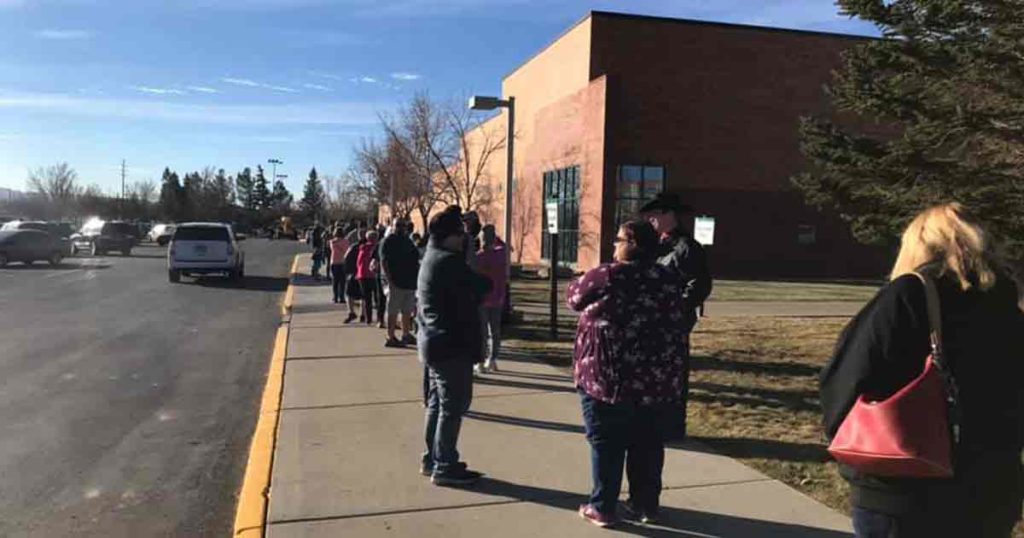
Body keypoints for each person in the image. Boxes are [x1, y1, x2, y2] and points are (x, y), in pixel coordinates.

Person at [820, 203, 1024, 538]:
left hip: (905, 488)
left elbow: (846, 378)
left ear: (918, 244)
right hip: (991, 486)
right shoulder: (1005, 303)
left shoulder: (909, 294)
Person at [568, 220, 690, 528]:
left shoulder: (607, 275)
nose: (614, 245)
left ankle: (603, 506)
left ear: (632, 243)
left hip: (606, 377)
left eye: (618, 239)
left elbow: (573, 298)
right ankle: (644, 504)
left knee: (606, 442)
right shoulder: (667, 278)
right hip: (654, 379)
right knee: (647, 443)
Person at [417, 205, 492, 487]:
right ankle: (445, 465)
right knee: (452, 406)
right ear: (449, 236)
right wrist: (470, 255)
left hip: (435, 343)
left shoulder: (431, 256)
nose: (464, 238)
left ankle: (433, 458)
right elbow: (483, 285)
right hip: (450, 345)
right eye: (460, 234)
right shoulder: (448, 261)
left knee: (437, 405)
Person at [640, 192, 712, 440]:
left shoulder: (686, 248)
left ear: (670, 215)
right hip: (652, 322)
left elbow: (699, 286)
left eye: (655, 214)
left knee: (673, 376)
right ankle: (654, 423)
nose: (650, 219)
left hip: (673, 323)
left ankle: (672, 428)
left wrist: (674, 309)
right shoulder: (655, 246)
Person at [380, 219, 420, 348]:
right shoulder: (388, 241)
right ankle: (390, 336)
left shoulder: (408, 241)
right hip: (395, 282)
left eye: (403, 225)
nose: (401, 228)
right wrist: (389, 280)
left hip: (410, 282)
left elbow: (415, 258)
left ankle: (406, 334)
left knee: (407, 311)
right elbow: (384, 262)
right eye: (398, 225)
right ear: (393, 226)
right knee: (393, 311)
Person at [475, 225, 508, 373]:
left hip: (482, 299)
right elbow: (504, 245)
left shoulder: (477, 258)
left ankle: (481, 362)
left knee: (481, 332)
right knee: (495, 332)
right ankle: (492, 359)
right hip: (497, 297)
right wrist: (496, 238)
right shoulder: (501, 255)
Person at [356, 230, 380, 326]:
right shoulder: (378, 248)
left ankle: (368, 318)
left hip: (363, 275)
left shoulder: (362, 248)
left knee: (367, 298)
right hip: (374, 274)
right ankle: (379, 317)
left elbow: (359, 262)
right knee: (377, 297)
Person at [342, 231, 364, 324]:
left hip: (354, 273)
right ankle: (363, 313)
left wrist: (347, 272)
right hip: (365, 274)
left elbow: (346, 258)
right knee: (364, 295)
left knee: (349, 294)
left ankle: (351, 312)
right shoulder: (371, 247)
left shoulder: (353, 247)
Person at [328, 228, 350, 305]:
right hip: (343, 262)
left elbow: (331, 249)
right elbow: (347, 250)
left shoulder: (332, 242)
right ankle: (342, 297)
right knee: (343, 281)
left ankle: (335, 297)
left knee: (335, 280)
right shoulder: (346, 242)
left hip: (334, 262)